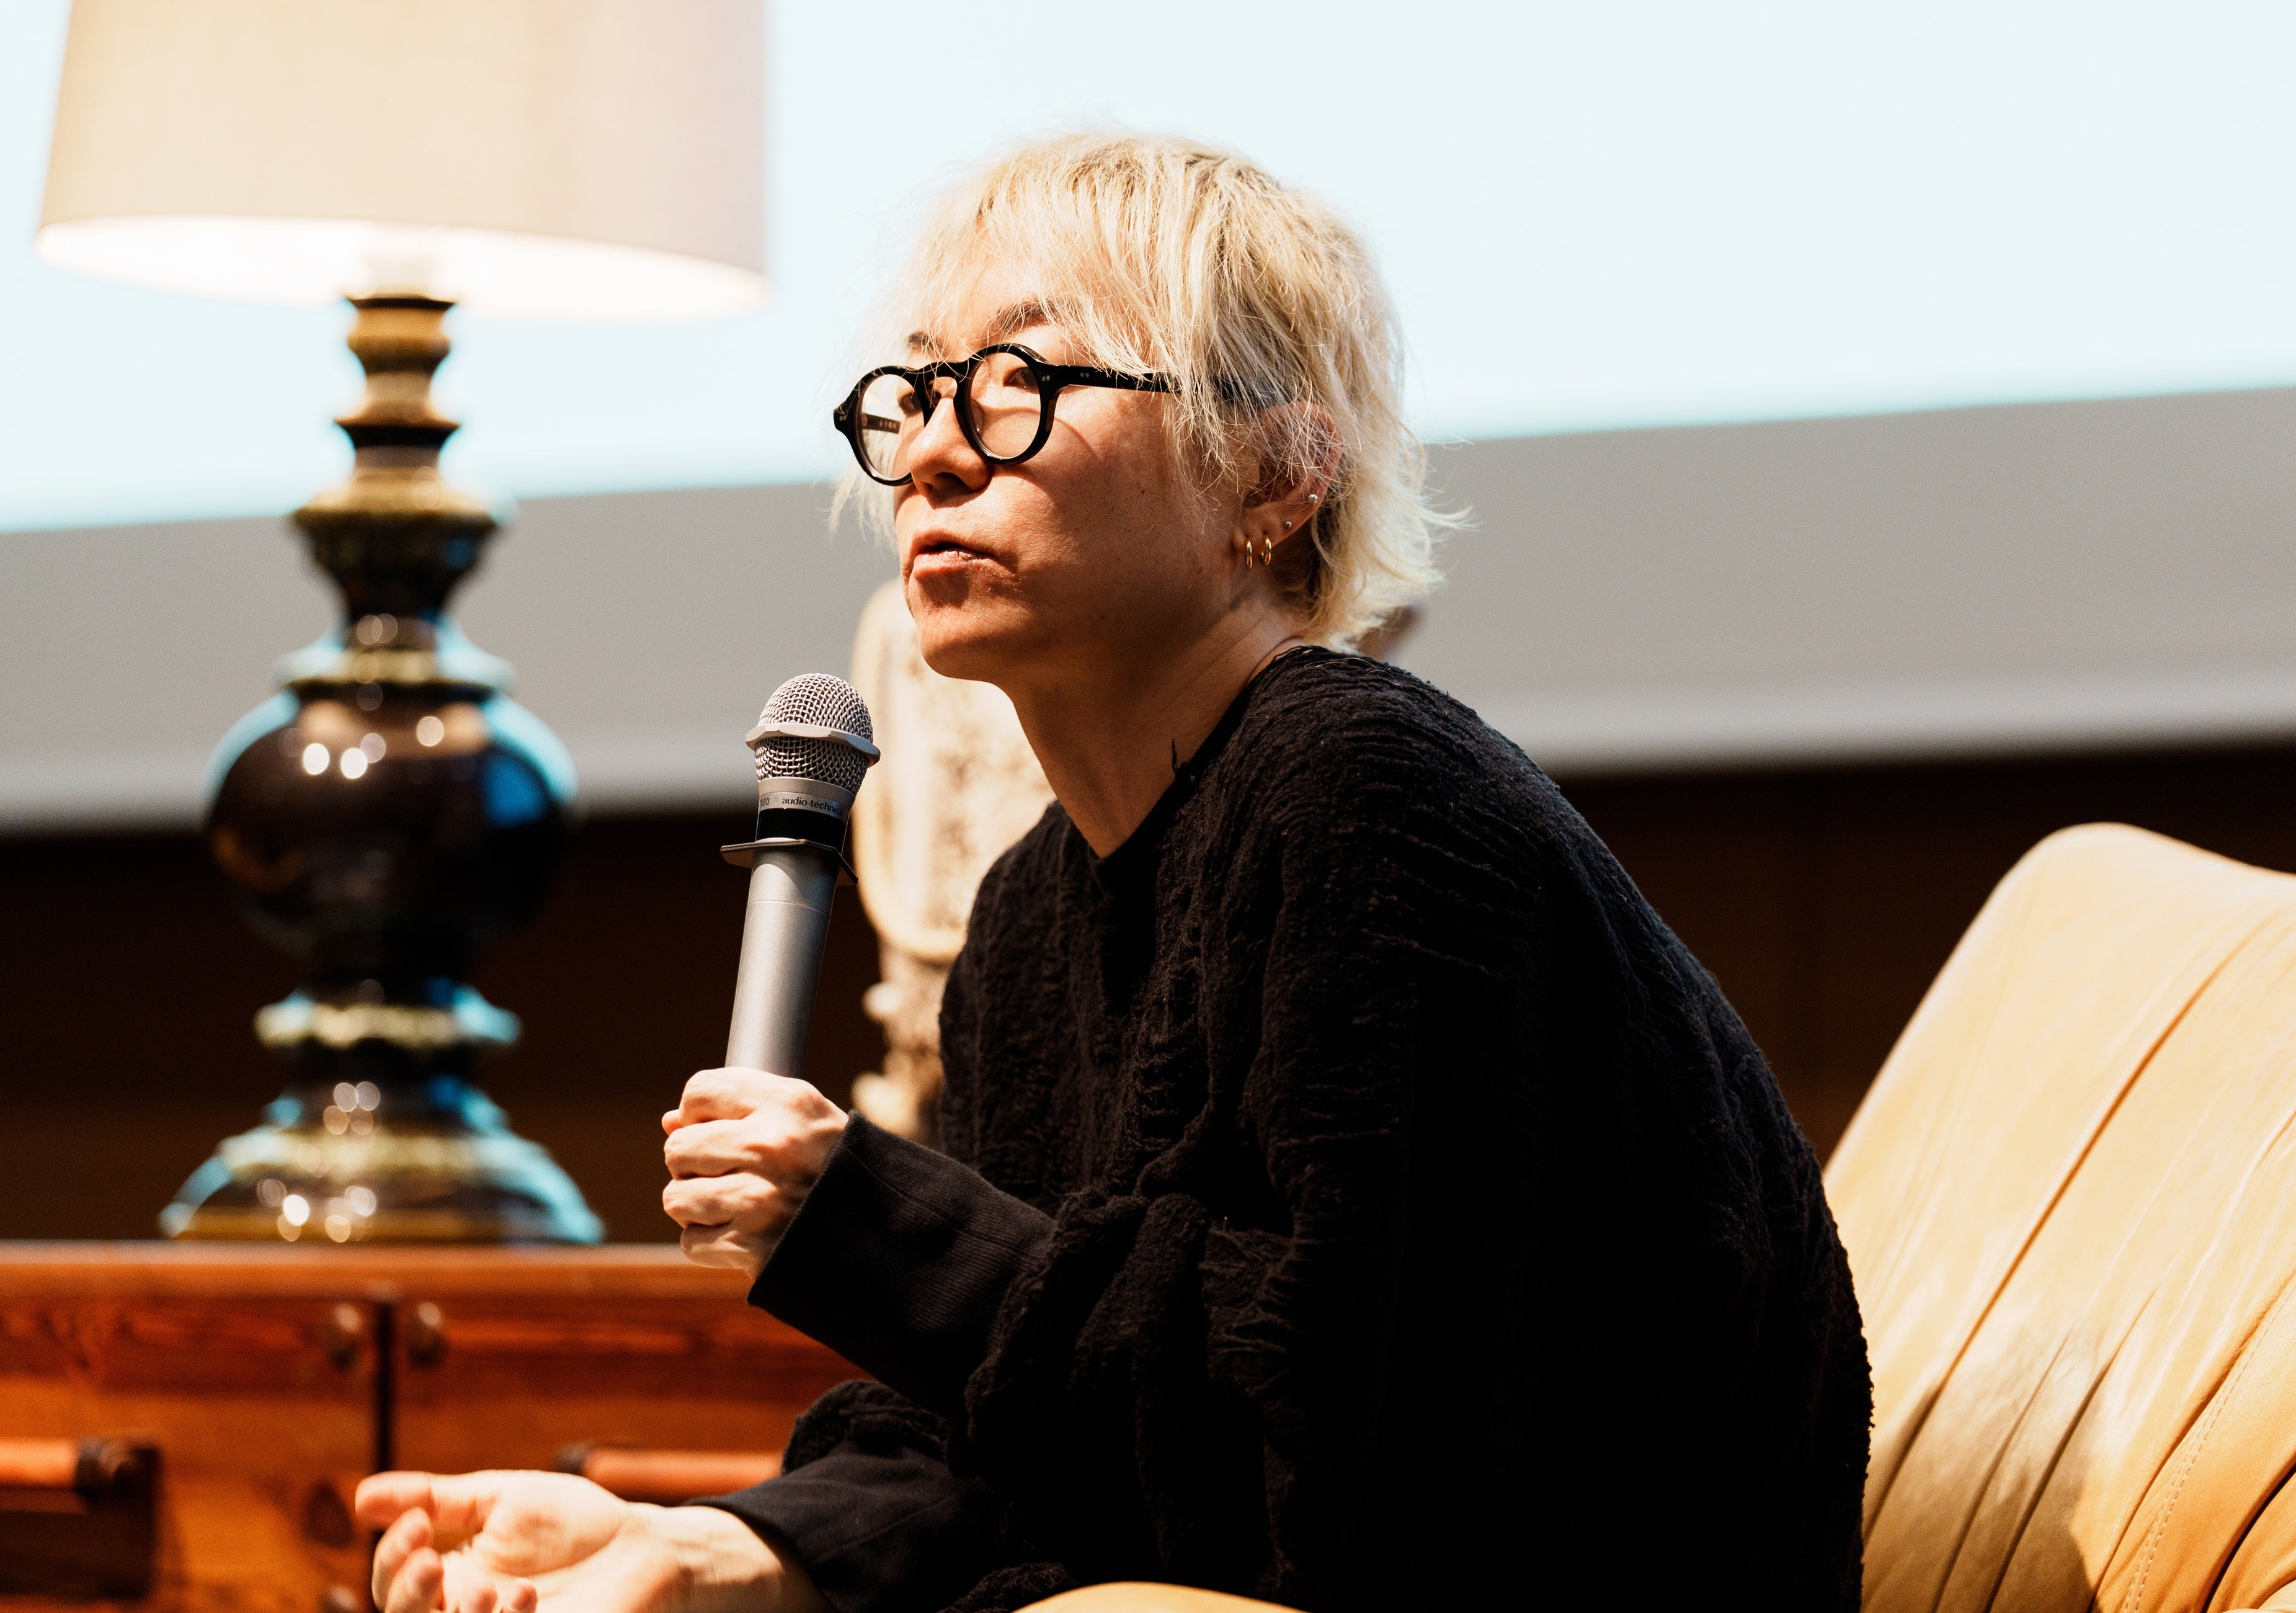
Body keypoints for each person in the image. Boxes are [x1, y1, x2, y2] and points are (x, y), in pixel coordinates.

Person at [356, 132, 1871, 1613]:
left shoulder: (1374, 797)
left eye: (1024, 381)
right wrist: (716, 1551)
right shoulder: (1029, 916)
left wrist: (883, 1223)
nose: (936, 452)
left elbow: (1337, 1451)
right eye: (919, 391)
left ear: (1275, 472)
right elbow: (1015, 1426)